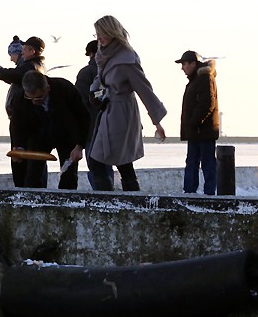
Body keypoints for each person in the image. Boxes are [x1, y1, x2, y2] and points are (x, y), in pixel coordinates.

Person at [88, 15, 167, 192]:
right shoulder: (104, 53)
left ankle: (109, 203)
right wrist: (93, 92)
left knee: (104, 160)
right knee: (119, 162)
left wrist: (157, 121)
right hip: (108, 110)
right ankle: (124, 200)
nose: (99, 38)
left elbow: (144, 89)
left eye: (102, 34)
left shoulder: (127, 58)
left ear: (111, 33)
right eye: (97, 35)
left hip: (122, 114)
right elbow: (100, 77)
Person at [0, 36, 46, 187]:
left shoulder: (30, 68)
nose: (20, 54)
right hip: (24, 122)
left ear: (31, 51)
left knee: (22, 162)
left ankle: (25, 194)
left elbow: (7, 75)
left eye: (23, 51)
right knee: (29, 163)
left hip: (25, 123)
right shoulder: (31, 65)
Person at [11, 70, 88, 189]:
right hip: (37, 135)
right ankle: (33, 202)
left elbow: (83, 116)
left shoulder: (64, 88)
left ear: (47, 88)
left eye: (39, 98)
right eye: (30, 98)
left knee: (69, 173)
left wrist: (79, 145)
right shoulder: (20, 98)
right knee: (33, 173)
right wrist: (18, 146)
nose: (34, 102)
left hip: (67, 135)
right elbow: (17, 125)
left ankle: (66, 203)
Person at [176, 50, 219, 195]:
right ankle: (189, 193)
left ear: (193, 64)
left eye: (184, 64)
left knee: (206, 164)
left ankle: (209, 195)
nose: (182, 68)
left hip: (203, 131)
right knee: (192, 163)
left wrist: (193, 123)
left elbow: (207, 104)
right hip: (196, 132)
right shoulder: (196, 79)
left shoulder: (204, 78)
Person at [74, 39, 110, 189]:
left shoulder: (85, 73)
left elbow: (80, 103)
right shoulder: (112, 71)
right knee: (110, 166)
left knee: (95, 166)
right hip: (111, 127)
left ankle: (102, 197)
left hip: (92, 129)